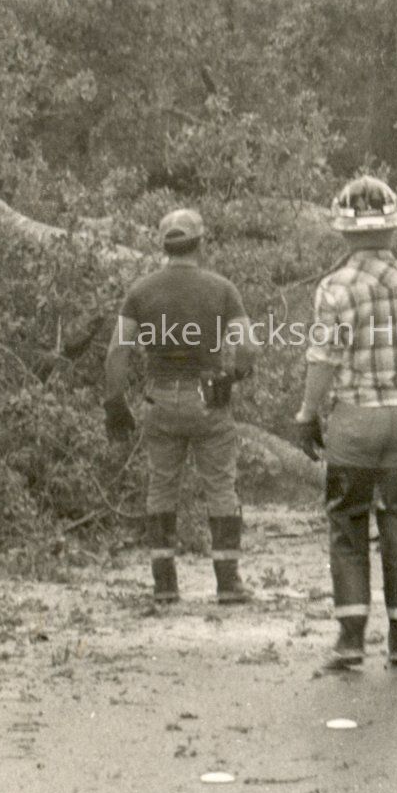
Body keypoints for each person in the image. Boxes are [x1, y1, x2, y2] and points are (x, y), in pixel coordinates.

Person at [293, 176, 397, 669]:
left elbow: (323, 359)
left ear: (343, 231)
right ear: (394, 226)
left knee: (348, 524)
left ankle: (351, 639)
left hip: (354, 421)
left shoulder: (335, 288)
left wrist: (307, 413)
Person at [104, 208, 257, 605]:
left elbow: (118, 350)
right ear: (200, 243)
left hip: (159, 397)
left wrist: (114, 401)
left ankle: (165, 584)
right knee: (220, 485)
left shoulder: (141, 291)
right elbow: (247, 345)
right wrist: (236, 374)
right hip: (207, 397)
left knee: (161, 486)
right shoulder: (221, 289)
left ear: (164, 245)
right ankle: (228, 582)